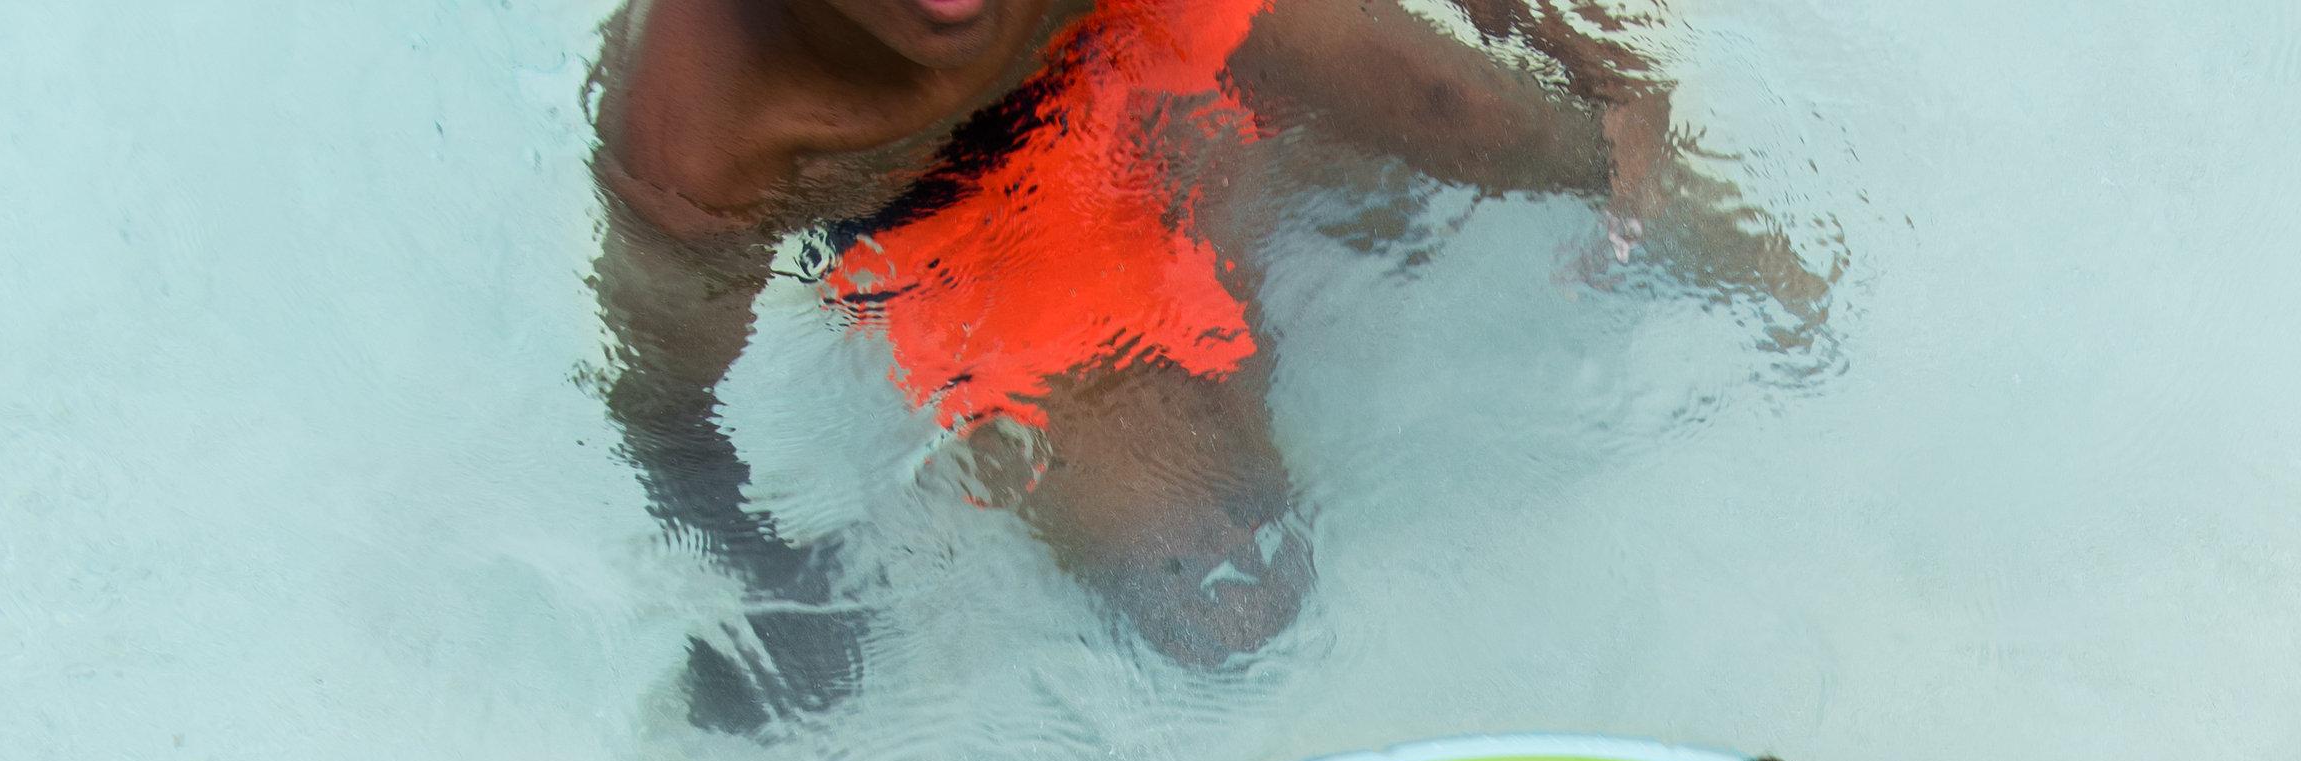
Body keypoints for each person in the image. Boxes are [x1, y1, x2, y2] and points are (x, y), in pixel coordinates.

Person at [589, 0, 1819, 723]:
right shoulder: (709, 123)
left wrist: (1585, 45)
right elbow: (662, 395)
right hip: (955, 211)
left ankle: (1802, 363)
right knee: (1224, 600)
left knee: (1535, 139)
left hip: (1138, 30)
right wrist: (766, 579)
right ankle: (1272, 245)